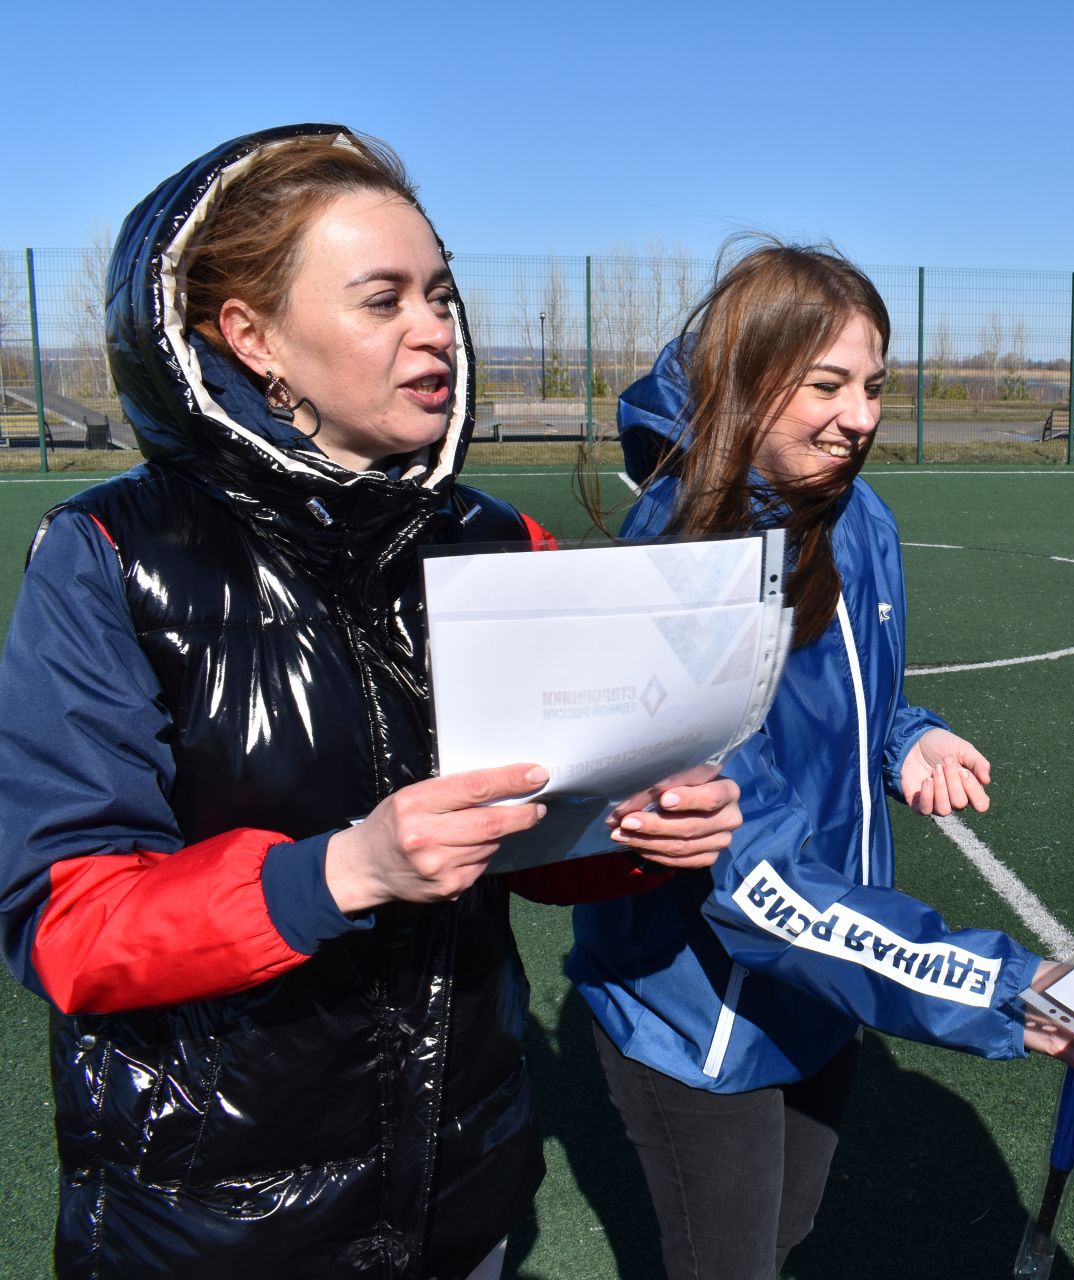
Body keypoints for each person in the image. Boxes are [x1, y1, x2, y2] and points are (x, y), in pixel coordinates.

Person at [0, 124, 740, 1280]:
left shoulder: (497, 540)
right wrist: (339, 871)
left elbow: (528, 837)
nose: (435, 328)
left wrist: (639, 834)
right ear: (252, 338)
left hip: (466, 1188)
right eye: (381, 299)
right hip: (219, 1223)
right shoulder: (107, 552)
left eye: (439, 294)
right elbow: (68, 918)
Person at [571, 240, 1074, 1279]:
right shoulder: (683, 563)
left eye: (872, 385)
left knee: (788, 1234)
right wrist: (1009, 985)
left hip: (825, 980)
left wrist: (907, 735)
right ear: (743, 379)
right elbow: (750, 875)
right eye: (826, 384)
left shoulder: (859, 515)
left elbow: (848, 700)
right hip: (704, 1013)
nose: (860, 416)